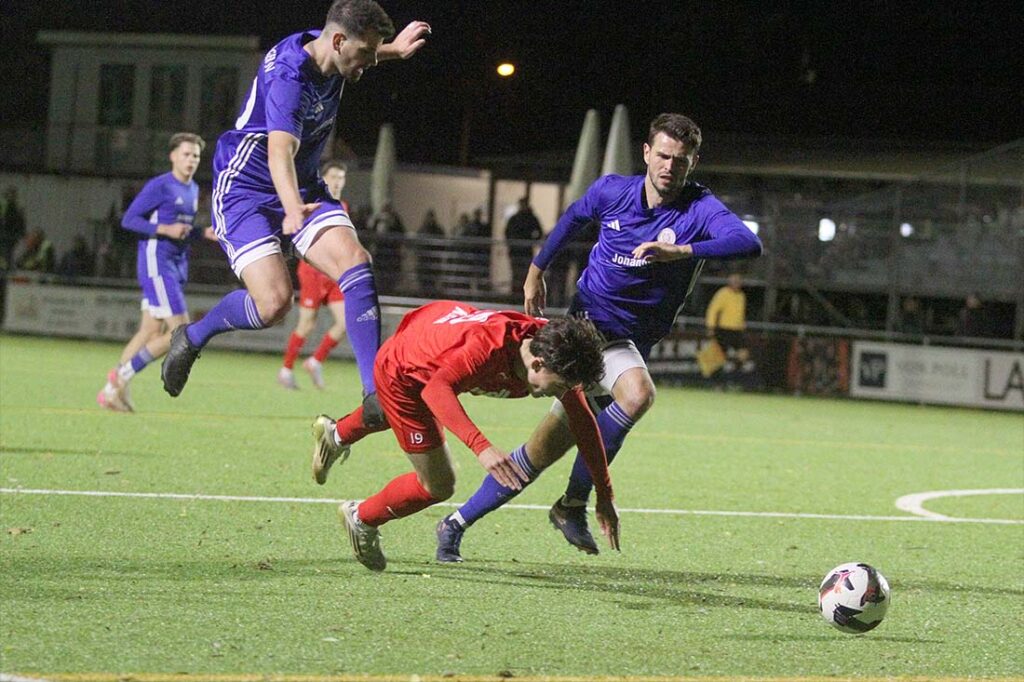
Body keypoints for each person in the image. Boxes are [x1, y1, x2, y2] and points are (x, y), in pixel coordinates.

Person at [436, 113, 762, 559]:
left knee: (538, 452)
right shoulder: (613, 191)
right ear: (646, 154)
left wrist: (681, 251)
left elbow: (748, 243)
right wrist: (535, 270)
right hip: (589, 332)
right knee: (637, 394)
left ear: (693, 163)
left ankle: (455, 524)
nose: (669, 167)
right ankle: (572, 504)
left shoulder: (699, 209)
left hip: (629, 343)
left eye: (680, 161)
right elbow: (572, 219)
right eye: (662, 156)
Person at [159, 0, 430, 430]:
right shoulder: (290, 75)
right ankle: (192, 336)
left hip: (303, 186)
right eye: (364, 54)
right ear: (339, 42)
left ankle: (375, 393)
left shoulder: (332, 47)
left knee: (356, 262)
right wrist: (289, 211)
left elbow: (357, 53)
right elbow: (278, 150)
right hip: (245, 191)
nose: (363, 66)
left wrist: (392, 50)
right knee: (273, 305)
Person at [309, 300, 620, 571]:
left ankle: (336, 435)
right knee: (439, 484)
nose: (563, 394)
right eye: (562, 386)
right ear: (537, 364)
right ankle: (361, 518)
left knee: (392, 413)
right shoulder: (487, 349)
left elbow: (584, 425)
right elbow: (435, 389)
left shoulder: (550, 346)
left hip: (431, 332)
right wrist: (480, 446)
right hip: (403, 373)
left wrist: (604, 494)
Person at [97, 132, 214, 412]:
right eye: (186, 154)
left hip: (174, 264)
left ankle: (113, 391)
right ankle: (120, 377)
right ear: (173, 156)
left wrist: (203, 233)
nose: (191, 160)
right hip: (157, 263)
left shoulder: (193, 190)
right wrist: (164, 229)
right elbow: (128, 219)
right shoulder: (160, 186)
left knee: (149, 329)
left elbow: (182, 230)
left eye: (195, 156)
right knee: (180, 334)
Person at [278, 160, 351, 390]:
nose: (338, 182)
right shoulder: (312, 201)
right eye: (334, 177)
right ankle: (286, 370)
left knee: (345, 322)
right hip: (312, 271)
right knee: (306, 324)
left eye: (342, 178)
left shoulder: (343, 206)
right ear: (324, 178)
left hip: (334, 273)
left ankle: (315, 361)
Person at [504, 197, 543, 292]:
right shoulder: (518, 218)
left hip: (523, 250)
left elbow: (539, 232)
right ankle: (516, 291)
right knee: (517, 272)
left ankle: (520, 292)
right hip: (518, 250)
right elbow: (507, 232)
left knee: (523, 272)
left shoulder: (527, 218)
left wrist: (532, 241)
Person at [705, 272, 748, 356]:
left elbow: (741, 313)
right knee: (720, 354)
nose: (737, 283)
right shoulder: (723, 293)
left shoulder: (741, 296)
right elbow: (713, 310)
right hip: (724, 329)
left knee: (743, 354)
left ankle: (738, 368)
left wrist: (743, 324)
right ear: (730, 282)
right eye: (734, 281)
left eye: (738, 281)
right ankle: (717, 368)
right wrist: (710, 326)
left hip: (737, 330)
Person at [0, 186, 27, 270]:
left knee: (7, 252)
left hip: (8, 234)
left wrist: (21, 232)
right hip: (8, 234)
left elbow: (20, 220)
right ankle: (7, 268)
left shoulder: (15, 205)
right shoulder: (13, 205)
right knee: (7, 253)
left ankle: (6, 268)